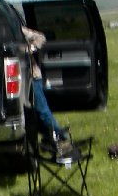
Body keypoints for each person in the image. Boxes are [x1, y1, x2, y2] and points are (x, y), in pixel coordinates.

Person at [22, 26, 79, 161]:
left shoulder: (18, 29)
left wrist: (29, 49)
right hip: (17, 80)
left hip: (31, 77)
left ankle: (62, 139)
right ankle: (47, 140)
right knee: (30, 115)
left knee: (42, 110)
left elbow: (40, 38)